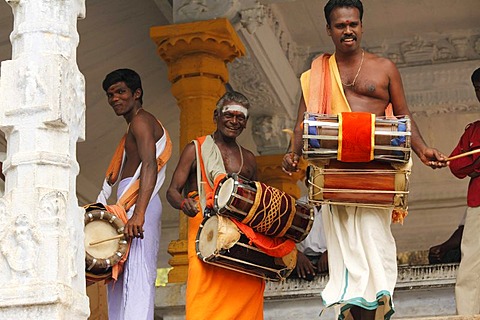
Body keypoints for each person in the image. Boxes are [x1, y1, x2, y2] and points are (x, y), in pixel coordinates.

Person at [281, 1, 447, 319]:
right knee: (347, 257)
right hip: (335, 176)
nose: (348, 30)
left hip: (376, 175)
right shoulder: (314, 73)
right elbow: (304, 121)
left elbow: (402, 116)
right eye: (340, 25)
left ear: (361, 26)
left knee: (374, 245)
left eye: (353, 24)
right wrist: (293, 153)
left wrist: (423, 149)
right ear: (329, 29)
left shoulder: (384, 68)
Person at [166, 91, 265, 320]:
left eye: (240, 118)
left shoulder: (249, 159)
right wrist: (183, 203)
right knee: (205, 303)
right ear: (216, 116)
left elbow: (258, 200)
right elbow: (172, 191)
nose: (234, 121)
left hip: (239, 236)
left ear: (246, 123)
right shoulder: (196, 149)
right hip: (205, 233)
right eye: (229, 115)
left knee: (246, 294)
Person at [95, 68, 171, 320]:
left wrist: (138, 214)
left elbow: (149, 164)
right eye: (110, 94)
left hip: (141, 206)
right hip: (131, 205)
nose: (114, 98)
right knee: (119, 275)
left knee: (138, 276)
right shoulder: (133, 126)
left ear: (136, 93)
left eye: (120, 92)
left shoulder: (141, 120)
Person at [449, 67, 480, 315]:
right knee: (471, 264)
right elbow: (456, 165)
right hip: (478, 203)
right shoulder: (473, 130)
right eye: (478, 90)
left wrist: (474, 167)